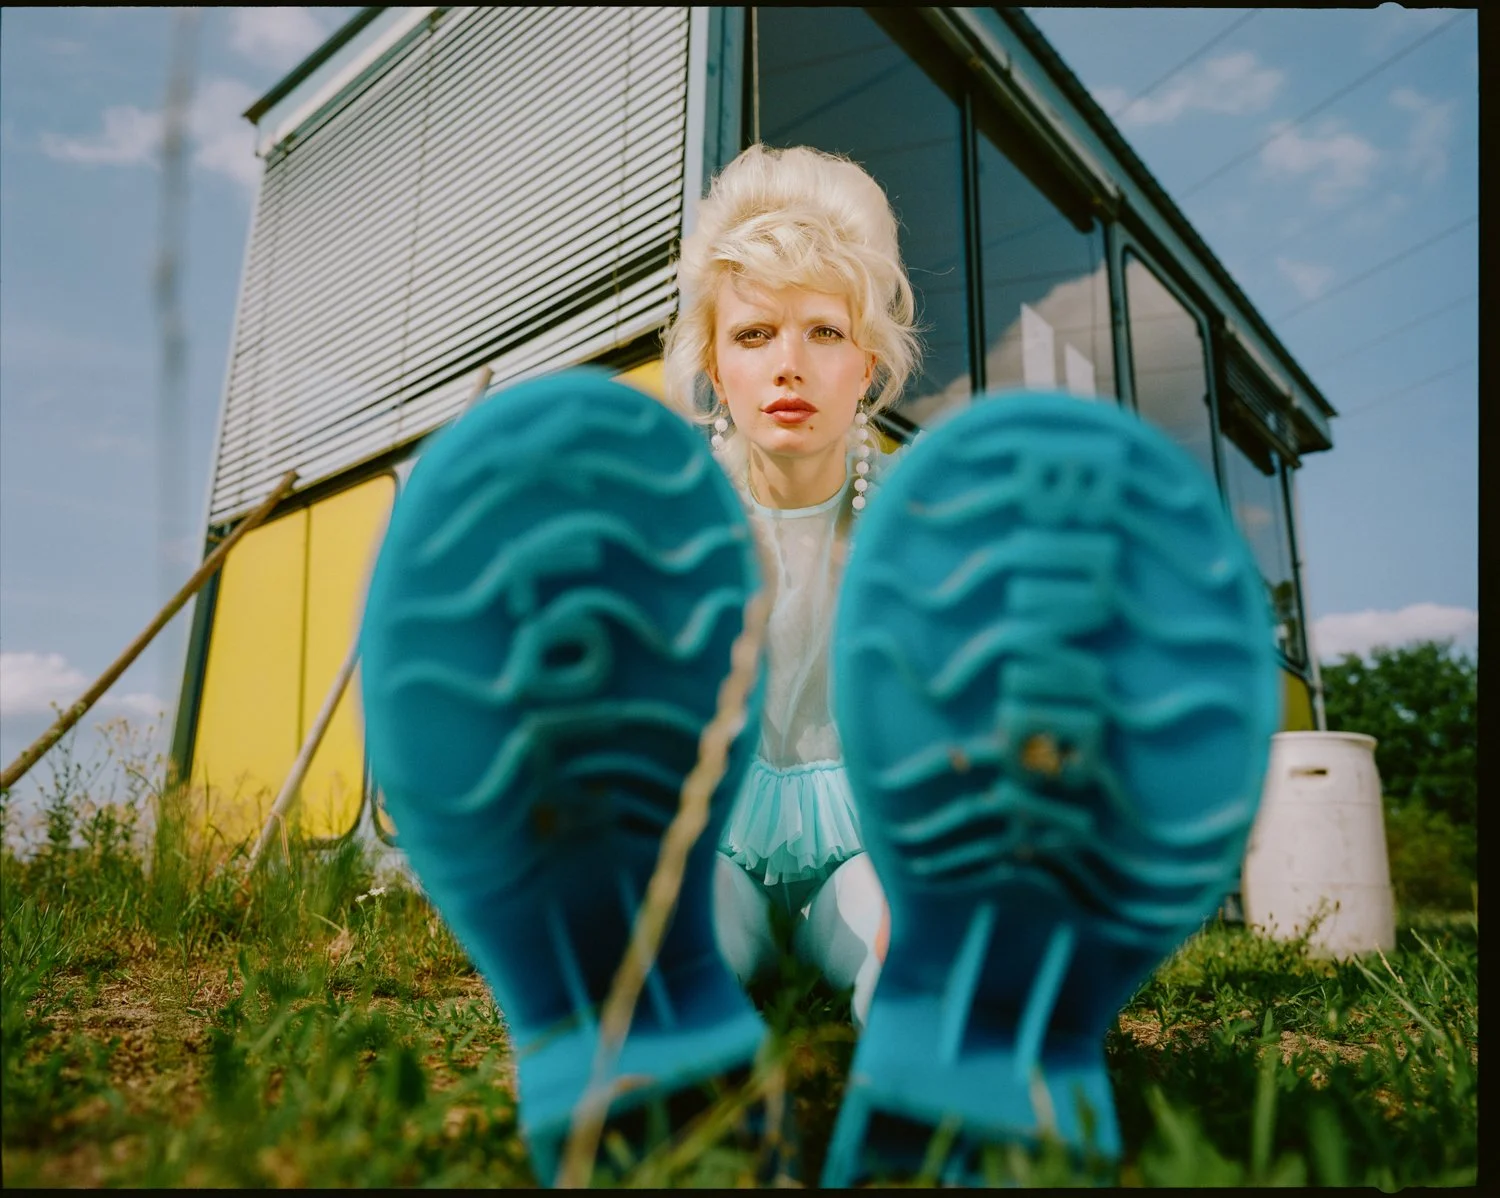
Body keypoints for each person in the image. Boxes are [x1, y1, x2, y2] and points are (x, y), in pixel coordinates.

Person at [660, 143, 918, 1024]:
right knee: (670, 955)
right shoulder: (673, 518)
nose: (789, 366)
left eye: (826, 332)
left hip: (864, 845)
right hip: (714, 841)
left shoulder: (913, 521)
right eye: (755, 333)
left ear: (869, 367)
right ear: (714, 364)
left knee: (913, 961)